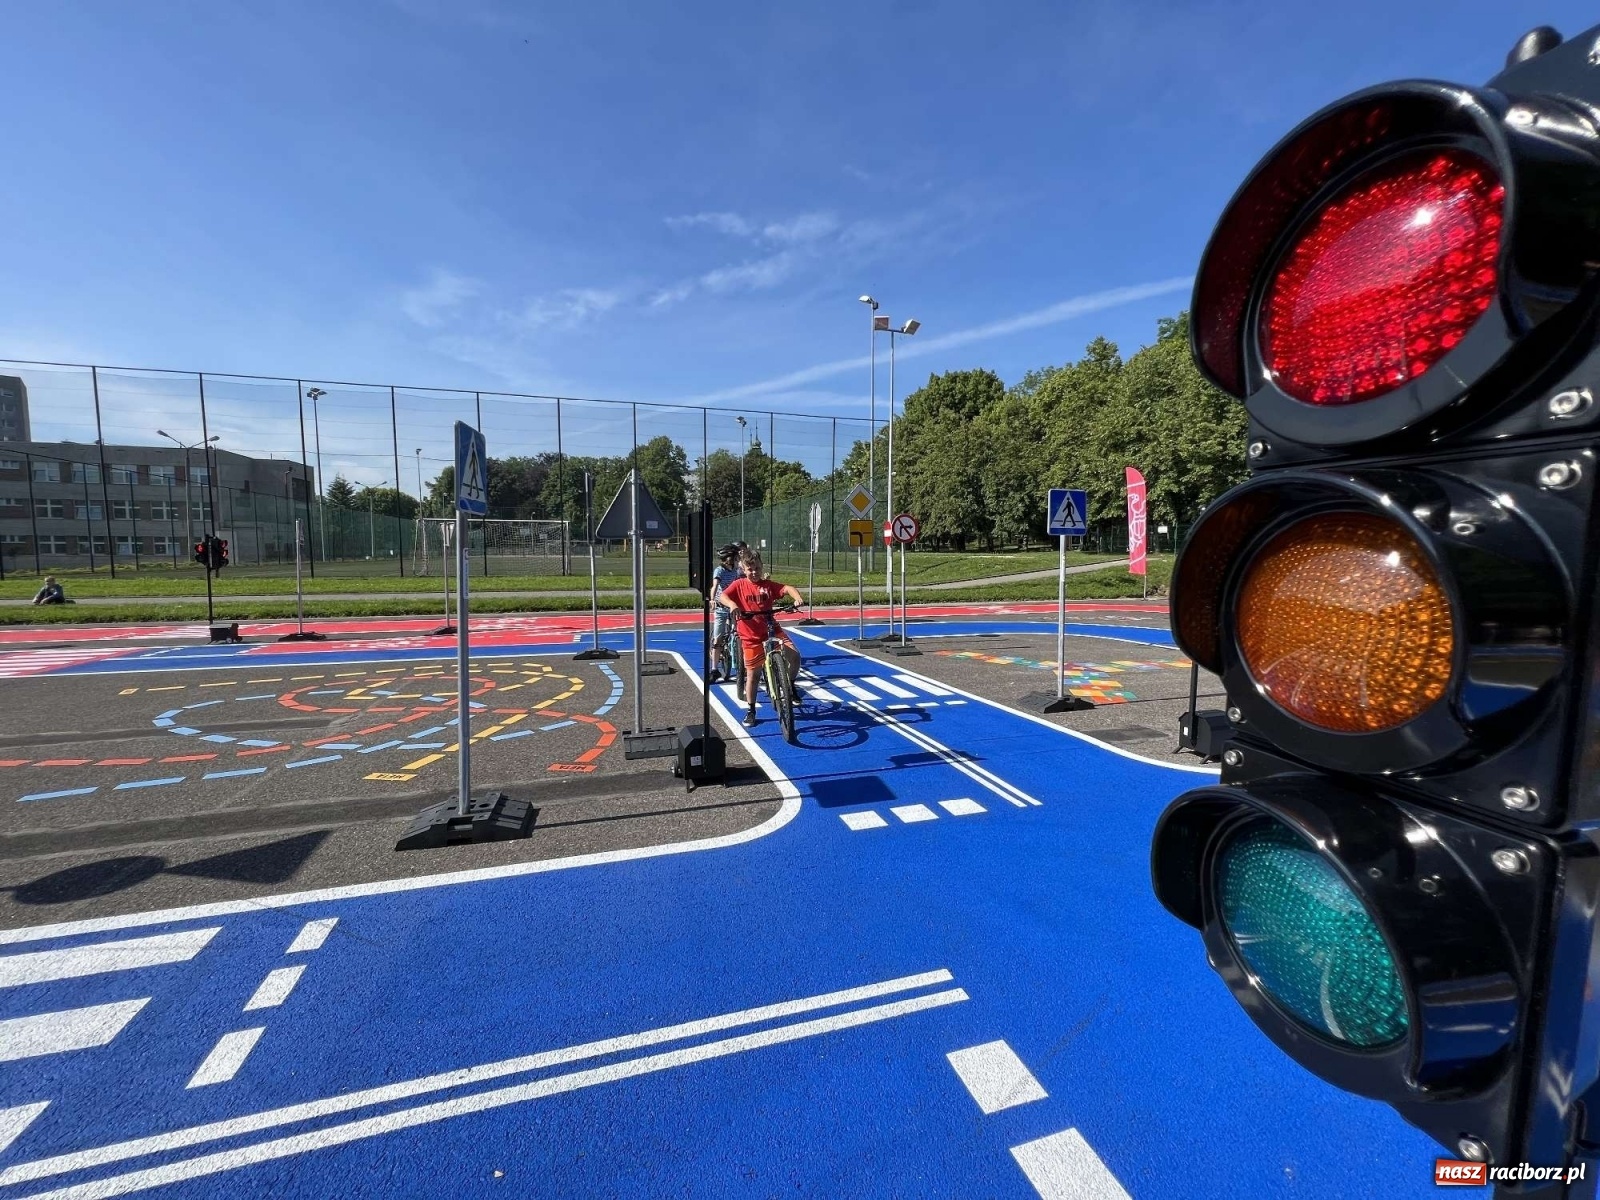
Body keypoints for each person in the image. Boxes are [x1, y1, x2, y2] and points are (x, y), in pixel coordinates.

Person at [717, 547, 803, 726]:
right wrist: (732, 604)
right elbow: (723, 596)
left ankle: (790, 685)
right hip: (750, 636)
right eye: (750, 569)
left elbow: (788, 588)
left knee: (795, 656)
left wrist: (797, 598)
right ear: (743, 569)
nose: (754, 572)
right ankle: (751, 709)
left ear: (762, 567)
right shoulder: (739, 585)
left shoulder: (767, 585)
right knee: (753, 675)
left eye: (757, 568)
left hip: (772, 630)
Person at [708, 543, 744, 683]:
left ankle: (741, 662)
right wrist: (712, 600)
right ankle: (714, 669)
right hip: (721, 608)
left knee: (738, 633)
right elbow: (715, 586)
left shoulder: (736, 570)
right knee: (717, 639)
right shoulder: (719, 571)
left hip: (733, 607)